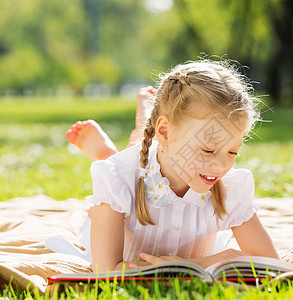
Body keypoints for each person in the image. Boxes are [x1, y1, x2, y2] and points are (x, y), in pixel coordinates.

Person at [66, 60, 278, 272]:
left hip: (163, 149)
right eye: (208, 150)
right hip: (135, 169)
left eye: (232, 152)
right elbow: (106, 271)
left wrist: (188, 265)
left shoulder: (230, 188)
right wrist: (211, 261)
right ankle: (108, 152)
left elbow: (273, 265)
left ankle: (143, 128)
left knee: (154, 154)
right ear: (165, 132)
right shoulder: (117, 179)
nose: (221, 166)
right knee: (126, 168)